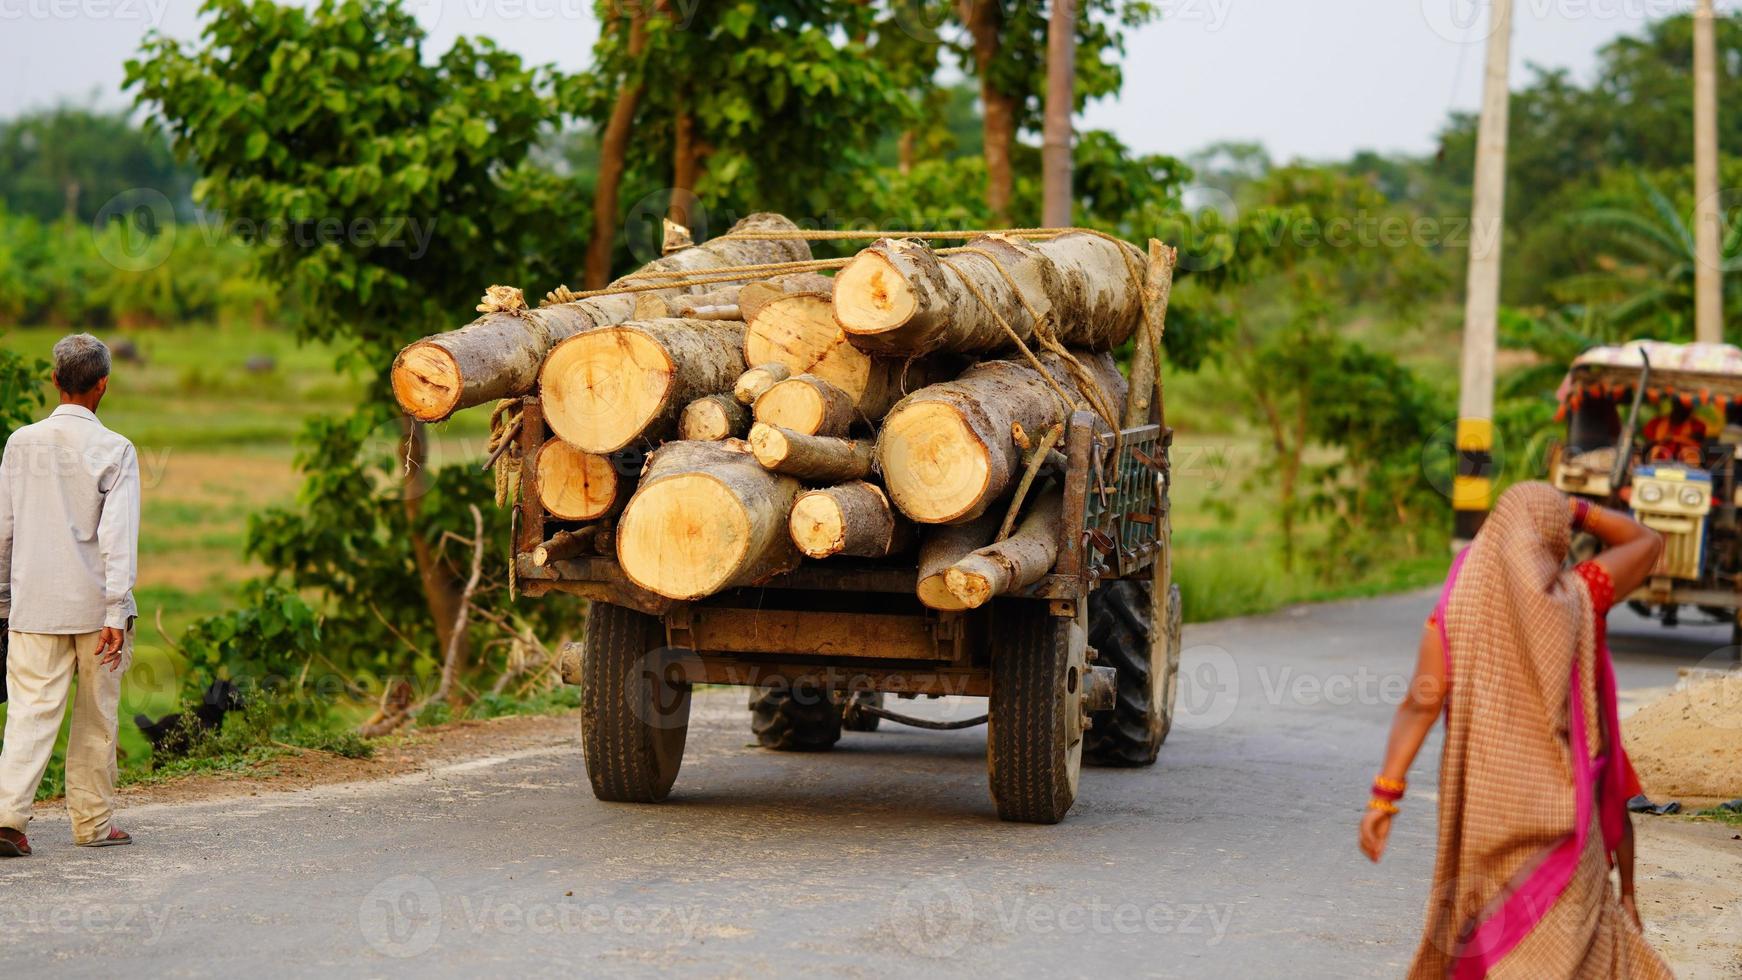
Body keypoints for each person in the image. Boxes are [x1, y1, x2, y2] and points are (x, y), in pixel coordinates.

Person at [1359, 482, 1670, 978]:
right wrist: (1574, 508)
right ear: (1554, 540)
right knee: (1574, 952)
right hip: (1564, 822)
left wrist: (1384, 797)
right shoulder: (1581, 596)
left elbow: (1418, 707)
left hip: (1486, 819)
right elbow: (1648, 543)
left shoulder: (1451, 617)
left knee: (1496, 944)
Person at [0, 334, 140, 857]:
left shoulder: (20, 443)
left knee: (30, 712)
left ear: (55, 380)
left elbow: (3, 532)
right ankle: (94, 824)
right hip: (97, 612)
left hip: (33, 606)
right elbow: (118, 538)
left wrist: (2, 603)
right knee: (97, 717)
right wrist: (114, 609)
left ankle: (8, 820)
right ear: (103, 384)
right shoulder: (116, 449)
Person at [1642, 398, 1706, 466]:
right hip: (1658, 463)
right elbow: (1649, 443)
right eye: (1679, 407)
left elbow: (1697, 443)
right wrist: (1659, 441)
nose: (1682, 410)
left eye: (1686, 408)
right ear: (1674, 406)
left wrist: (1673, 438)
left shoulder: (1697, 425)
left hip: (1686, 466)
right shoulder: (1656, 422)